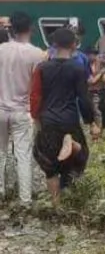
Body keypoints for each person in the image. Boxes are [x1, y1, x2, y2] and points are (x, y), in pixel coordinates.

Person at [29, 28, 94, 204]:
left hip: (48, 120)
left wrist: (36, 118)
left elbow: (35, 95)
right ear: (74, 44)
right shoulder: (78, 68)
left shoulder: (42, 68)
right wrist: (91, 121)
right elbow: (83, 98)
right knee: (80, 158)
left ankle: (57, 204)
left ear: (54, 44)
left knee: (48, 162)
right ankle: (73, 145)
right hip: (69, 120)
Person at [0, 12, 46, 203]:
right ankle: (25, 199)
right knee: (23, 156)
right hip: (22, 110)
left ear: (11, 28)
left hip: (0, 108)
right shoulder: (37, 54)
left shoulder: (1, 49)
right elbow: (39, 87)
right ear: (31, 29)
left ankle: (1, 193)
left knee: (0, 152)